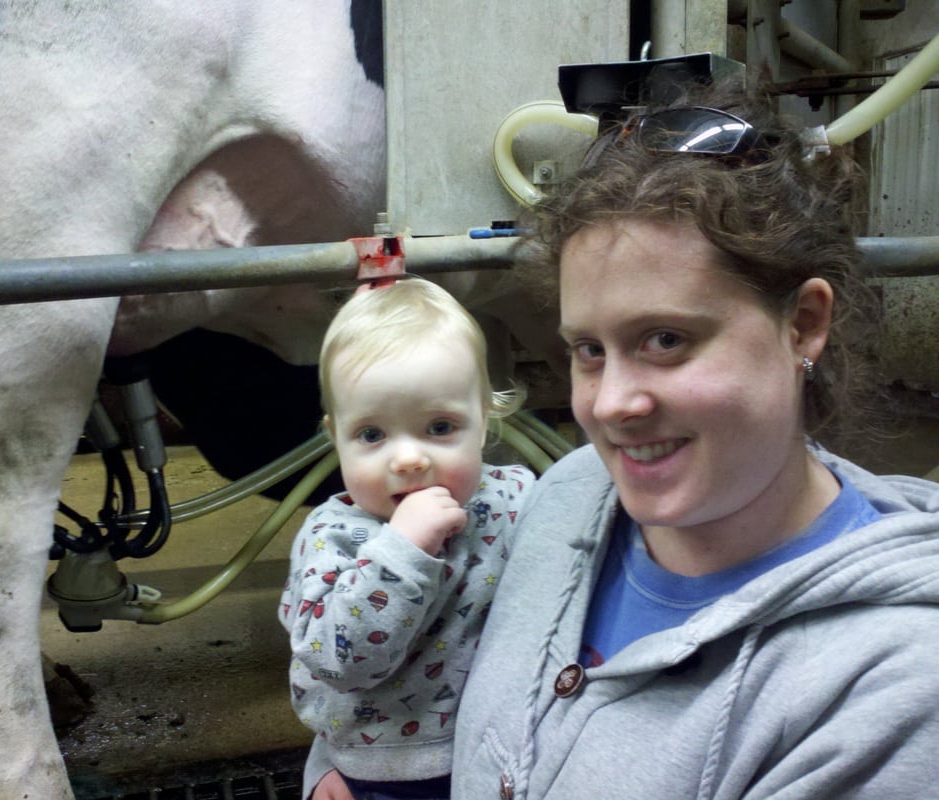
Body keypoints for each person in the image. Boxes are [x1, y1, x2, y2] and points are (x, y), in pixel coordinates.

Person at [445, 76, 939, 799]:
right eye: (588, 350)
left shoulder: (885, 690)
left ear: (801, 323)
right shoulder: (569, 497)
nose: (610, 405)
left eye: (665, 339)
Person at [278, 277, 534, 800]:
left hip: (505, 753)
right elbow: (335, 663)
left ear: (484, 420)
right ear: (336, 437)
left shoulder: (516, 498)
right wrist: (403, 551)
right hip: (385, 774)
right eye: (372, 435)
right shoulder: (336, 538)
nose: (409, 458)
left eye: (439, 427)